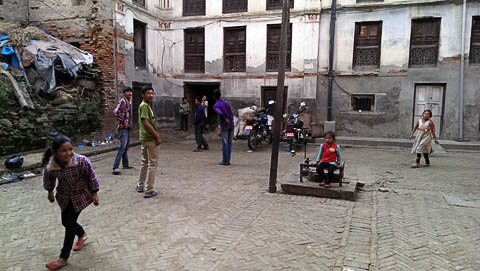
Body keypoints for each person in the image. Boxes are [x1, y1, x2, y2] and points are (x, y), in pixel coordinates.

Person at [42, 135, 100, 270]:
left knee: (69, 225)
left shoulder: (81, 161)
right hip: (64, 196)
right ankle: (82, 234)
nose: (69, 153)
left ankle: (63, 258)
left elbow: (92, 176)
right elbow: (49, 179)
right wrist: (50, 192)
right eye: (64, 150)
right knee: (66, 222)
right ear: (55, 152)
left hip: (81, 196)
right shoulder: (51, 165)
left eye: (71, 149)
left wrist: (94, 193)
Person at [137, 86, 162, 198]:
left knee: (145, 162)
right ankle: (149, 190)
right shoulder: (144, 106)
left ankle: (141, 185)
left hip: (144, 138)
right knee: (152, 164)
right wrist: (157, 136)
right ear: (143, 95)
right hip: (149, 138)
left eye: (152, 93)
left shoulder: (146, 106)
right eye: (148, 93)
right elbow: (146, 123)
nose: (151, 95)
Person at [112, 86, 133, 175]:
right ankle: (115, 167)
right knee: (122, 147)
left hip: (127, 127)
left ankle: (125, 164)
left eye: (130, 92)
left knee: (126, 146)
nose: (129, 93)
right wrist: (123, 121)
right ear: (124, 93)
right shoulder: (122, 101)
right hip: (122, 127)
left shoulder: (128, 102)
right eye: (127, 92)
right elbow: (115, 112)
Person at [213, 89, 234, 166]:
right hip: (231, 123)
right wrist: (230, 119)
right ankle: (228, 160)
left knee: (225, 143)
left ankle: (225, 161)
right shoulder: (226, 102)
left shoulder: (216, 105)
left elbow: (220, 112)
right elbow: (231, 112)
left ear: (214, 97)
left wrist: (225, 119)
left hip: (225, 124)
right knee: (229, 142)